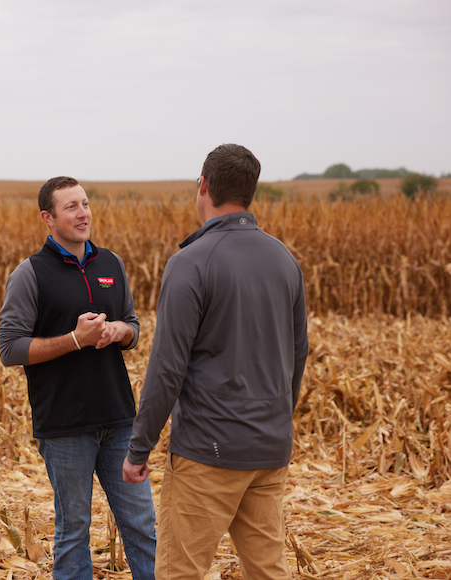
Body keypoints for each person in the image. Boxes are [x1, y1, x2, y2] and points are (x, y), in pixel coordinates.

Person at [123, 144, 309, 579]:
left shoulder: (191, 262)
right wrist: (275, 420)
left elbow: (168, 367)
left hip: (209, 451)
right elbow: (297, 355)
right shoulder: (284, 259)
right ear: (251, 193)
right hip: (269, 449)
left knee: (179, 572)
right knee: (268, 570)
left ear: (203, 185)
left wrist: (139, 448)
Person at [0, 176, 156, 580]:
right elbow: (10, 349)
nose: (83, 213)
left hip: (120, 419)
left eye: (85, 204)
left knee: (142, 527)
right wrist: (74, 339)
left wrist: (122, 332)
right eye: (71, 207)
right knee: (73, 531)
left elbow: (134, 326)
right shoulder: (29, 274)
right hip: (65, 426)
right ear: (47, 218)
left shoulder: (111, 264)